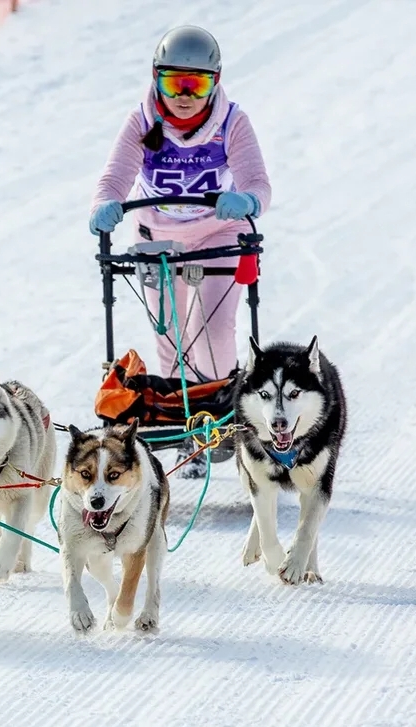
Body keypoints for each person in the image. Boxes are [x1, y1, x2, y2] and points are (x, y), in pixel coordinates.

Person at [89, 24, 272, 476]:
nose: (185, 95)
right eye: (174, 82)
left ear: (215, 81)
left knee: (212, 331)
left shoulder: (232, 122)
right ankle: (182, 427)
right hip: (158, 234)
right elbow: (113, 180)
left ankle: (218, 420)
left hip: (218, 234)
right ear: (156, 78)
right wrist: (104, 205)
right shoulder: (141, 121)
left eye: (197, 83)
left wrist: (246, 201)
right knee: (169, 332)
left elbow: (258, 186)